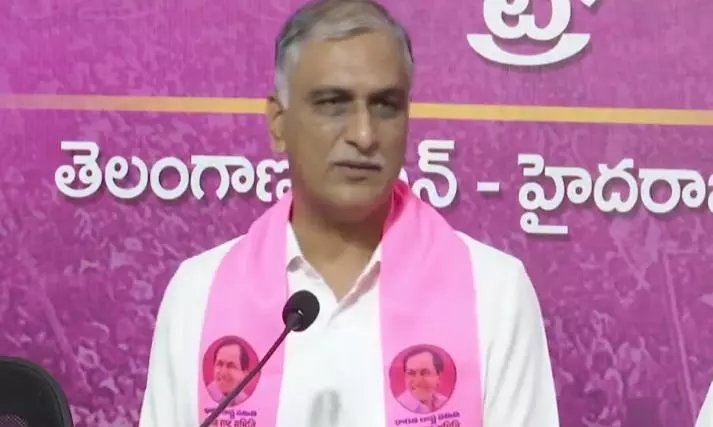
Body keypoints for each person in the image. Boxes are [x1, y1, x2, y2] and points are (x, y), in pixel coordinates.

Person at [139, 1, 559, 426]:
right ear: (278, 124)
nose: (363, 135)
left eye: (385, 105)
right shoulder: (199, 292)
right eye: (333, 103)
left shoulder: (494, 292)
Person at [396, 347, 448, 413]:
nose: (418, 381)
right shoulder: (396, 408)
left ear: (438, 377)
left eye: (425, 372)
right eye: (411, 373)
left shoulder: (445, 402)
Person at [205, 338, 250, 405]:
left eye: (231, 366)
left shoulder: (246, 400)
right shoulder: (204, 395)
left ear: (244, 374)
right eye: (219, 364)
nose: (223, 373)